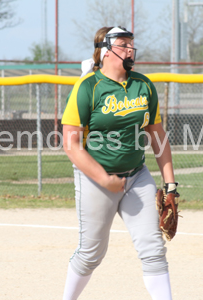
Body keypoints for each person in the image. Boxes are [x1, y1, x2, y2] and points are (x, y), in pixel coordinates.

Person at [61, 26, 178, 300]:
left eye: (131, 44)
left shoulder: (143, 85)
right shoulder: (88, 87)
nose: (130, 49)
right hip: (96, 179)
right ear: (105, 51)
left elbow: (157, 136)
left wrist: (170, 184)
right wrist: (104, 180)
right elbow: (71, 144)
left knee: (153, 249)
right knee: (91, 253)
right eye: (123, 44)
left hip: (137, 176)